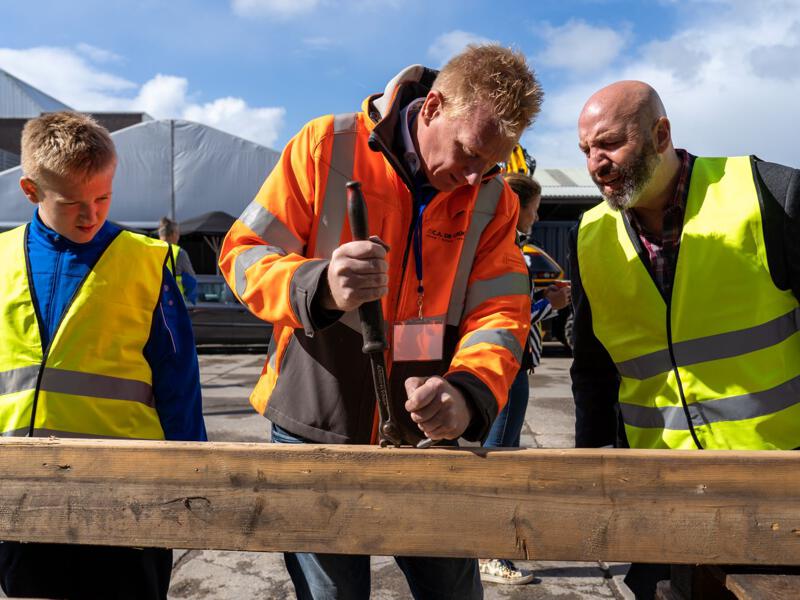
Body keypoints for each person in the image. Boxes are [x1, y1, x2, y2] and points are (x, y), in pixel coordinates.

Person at [219, 44, 543, 599]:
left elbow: (501, 314)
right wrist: (317, 284)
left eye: (491, 164)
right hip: (315, 422)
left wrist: (468, 392)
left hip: (428, 434)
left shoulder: (493, 199)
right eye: (468, 154)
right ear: (434, 105)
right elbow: (243, 253)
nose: (474, 178)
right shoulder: (325, 145)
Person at [569, 80, 800, 598]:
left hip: (778, 485)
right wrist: (594, 472)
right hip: (657, 489)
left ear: (661, 133)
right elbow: (593, 368)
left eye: (609, 144)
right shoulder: (590, 235)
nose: (595, 163)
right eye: (586, 150)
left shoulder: (769, 194)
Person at [0, 112, 207, 600]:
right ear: (31, 191)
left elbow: (180, 385)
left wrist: (195, 483)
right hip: (21, 496)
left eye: (102, 197)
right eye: (71, 202)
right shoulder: (2, 258)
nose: (90, 215)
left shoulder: (146, 261)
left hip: (128, 497)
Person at [478, 173, 570, 586]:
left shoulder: (496, 244)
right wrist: (549, 305)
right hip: (509, 368)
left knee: (498, 457)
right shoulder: (508, 249)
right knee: (500, 461)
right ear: (519, 207)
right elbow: (509, 322)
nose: (537, 214)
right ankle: (490, 555)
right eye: (534, 207)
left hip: (509, 367)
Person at [158, 216, 198, 304]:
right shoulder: (179, 253)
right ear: (173, 234)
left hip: (154, 306)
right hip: (174, 305)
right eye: (178, 233)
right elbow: (191, 282)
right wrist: (192, 301)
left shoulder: (150, 250)